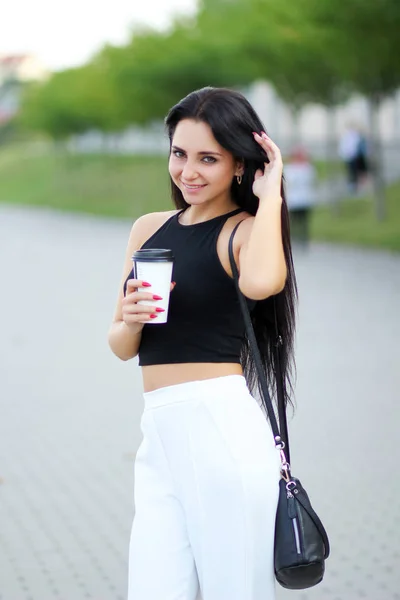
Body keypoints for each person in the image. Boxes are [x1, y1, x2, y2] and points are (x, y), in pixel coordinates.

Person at [108, 87, 297, 600]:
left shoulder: (243, 231)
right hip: (159, 433)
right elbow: (123, 346)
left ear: (240, 164)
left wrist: (273, 188)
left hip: (218, 430)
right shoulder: (150, 229)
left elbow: (261, 284)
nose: (188, 171)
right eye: (179, 153)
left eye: (208, 158)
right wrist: (129, 319)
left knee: (235, 590)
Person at [284, 146, 316, 248]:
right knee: (294, 222)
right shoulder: (291, 168)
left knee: (303, 222)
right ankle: (295, 239)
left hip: (303, 199)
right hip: (294, 200)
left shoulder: (307, 168)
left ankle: (303, 240)